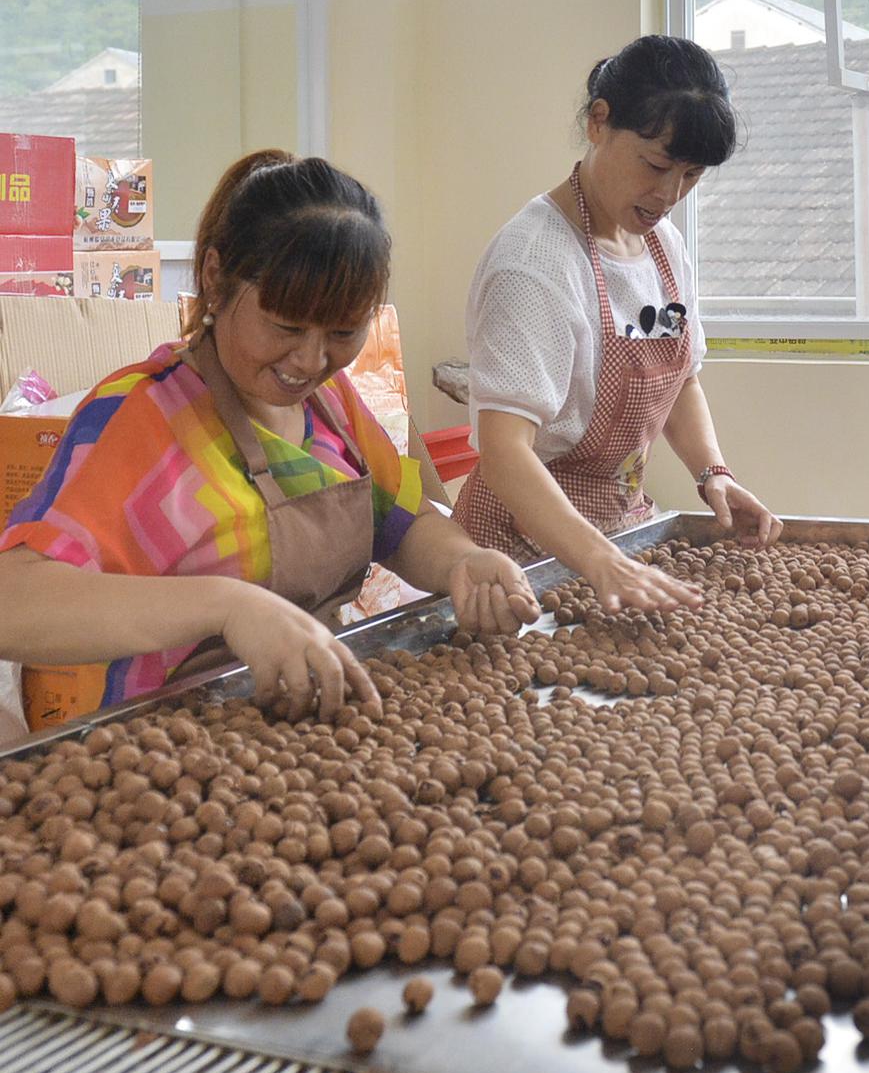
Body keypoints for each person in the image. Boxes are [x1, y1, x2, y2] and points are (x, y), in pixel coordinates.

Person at [0, 151, 539, 728]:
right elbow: (14, 600)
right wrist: (226, 607)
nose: (310, 360)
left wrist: (463, 561)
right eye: (285, 326)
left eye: (342, 332)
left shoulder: (331, 405)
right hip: (157, 748)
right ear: (214, 277)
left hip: (304, 725)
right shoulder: (142, 417)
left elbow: (401, 520)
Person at [458, 35, 781, 611]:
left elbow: (679, 379)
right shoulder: (535, 263)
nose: (669, 194)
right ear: (599, 123)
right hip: (517, 555)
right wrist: (598, 559)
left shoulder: (663, 246)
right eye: (656, 165)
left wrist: (714, 474)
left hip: (617, 532)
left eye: (691, 176)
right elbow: (503, 451)